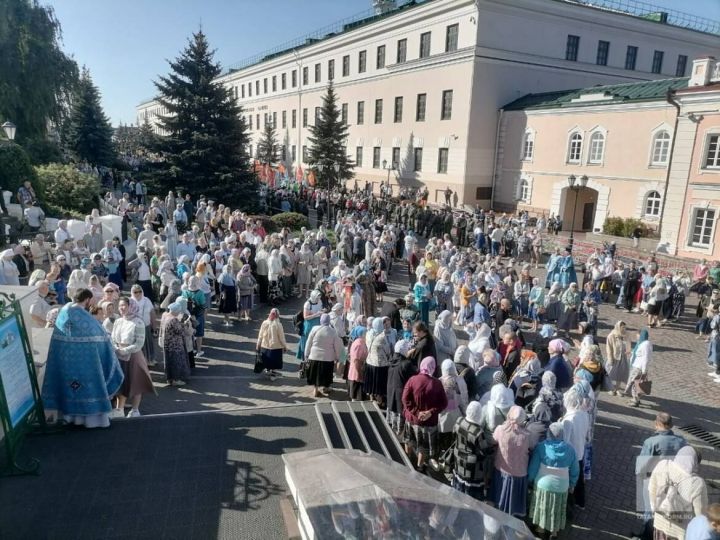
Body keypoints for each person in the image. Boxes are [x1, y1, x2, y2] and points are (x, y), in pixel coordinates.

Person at [41, 289, 124, 428]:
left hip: (66, 363)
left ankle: (69, 417)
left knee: (70, 388)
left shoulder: (63, 312)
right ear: (86, 300)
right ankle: (91, 421)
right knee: (88, 388)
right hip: (87, 365)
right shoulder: (85, 318)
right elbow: (102, 339)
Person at [528, 422, 580, 539]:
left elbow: (533, 467)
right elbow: (575, 470)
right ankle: (554, 532)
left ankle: (540, 529)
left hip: (543, 483)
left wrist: (530, 479)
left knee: (543, 506)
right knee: (556, 508)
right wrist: (572, 484)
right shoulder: (570, 450)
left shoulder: (541, 447)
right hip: (562, 486)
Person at [649, 446, 708, 540]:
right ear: (695, 462)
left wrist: (654, 508)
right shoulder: (698, 483)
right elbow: (700, 514)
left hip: (659, 523)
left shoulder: (663, 465)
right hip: (680, 532)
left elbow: (651, 489)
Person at [402, 357, 448, 473]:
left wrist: (416, 412)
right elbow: (444, 403)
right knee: (423, 447)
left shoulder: (412, 379)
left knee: (409, 440)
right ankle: (419, 466)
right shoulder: (437, 383)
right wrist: (430, 412)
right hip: (428, 423)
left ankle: (408, 459)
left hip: (412, 419)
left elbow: (405, 399)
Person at [492, 405, 531, 518]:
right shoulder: (527, 435)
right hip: (519, 473)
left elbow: (493, 441)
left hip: (501, 469)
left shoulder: (500, 429)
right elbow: (531, 447)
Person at [451, 401, 492, 500]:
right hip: (472, 467)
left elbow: (453, 436)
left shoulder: (459, 421)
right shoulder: (478, 432)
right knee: (470, 493)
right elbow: (485, 451)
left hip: (458, 458)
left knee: (459, 480)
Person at [561, 386, 591, 510]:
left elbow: (565, 440)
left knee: (572, 479)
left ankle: (570, 505)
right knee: (579, 477)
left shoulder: (568, 419)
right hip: (580, 449)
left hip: (571, 454)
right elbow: (588, 434)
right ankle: (581, 502)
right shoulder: (584, 414)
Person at [304, 313, 343, 397]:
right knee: (326, 374)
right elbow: (337, 346)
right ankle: (326, 388)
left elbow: (308, 342)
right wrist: (338, 357)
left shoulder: (314, 329)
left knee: (315, 374)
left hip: (314, 356)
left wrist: (306, 354)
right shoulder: (333, 331)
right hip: (327, 358)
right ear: (329, 321)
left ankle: (315, 389)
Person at [159, 302, 191, 386]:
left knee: (169, 362)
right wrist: (185, 324)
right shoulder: (174, 319)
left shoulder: (165, 315)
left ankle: (169, 378)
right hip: (175, 345)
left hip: (167, 343)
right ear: (175, 311)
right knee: (176, 362)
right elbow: (180, 331)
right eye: (178, 311)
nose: (179, 313)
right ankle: (176, 380)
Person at [365, 317, 393, 407]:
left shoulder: (369, 333)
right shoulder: (381, 337)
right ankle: (380, 402)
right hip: (380, 364)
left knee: (372, 382)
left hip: (369, 361)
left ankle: (371, 399)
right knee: (379, 385)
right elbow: (387, 350)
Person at [256, 308, 287, 381]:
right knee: (274, 363)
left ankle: (267, 370)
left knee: (266, 360)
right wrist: (285, 346)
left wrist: (258, 344)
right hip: (276, 347)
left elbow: (260, 335)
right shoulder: (278, 324)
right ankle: (273, 374)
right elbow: (281, 337)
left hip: (265, 346)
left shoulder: (264, 323)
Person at [624, 328, 652, 407]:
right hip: (637, 366)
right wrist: (631, 352)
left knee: (635, 383)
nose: (636, 336)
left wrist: (644, 370)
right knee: (636, 383)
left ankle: (635, 400)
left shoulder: (645, 345)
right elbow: (639, 353)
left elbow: (645, 358)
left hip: (638, 368)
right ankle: (636, 398)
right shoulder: (642, 343)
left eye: (638, 335)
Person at [605, 320, 630, 396]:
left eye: (625, 328)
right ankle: (609, 388)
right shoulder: (611, 336)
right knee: (610, 373)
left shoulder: (625, 335)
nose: (624, 329)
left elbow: (628, 345)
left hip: (623, 357)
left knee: (620, 373)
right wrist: (610, 359)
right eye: (622, 328)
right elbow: (609, 348)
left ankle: (617, 388)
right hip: (614, 357)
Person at [348, 326, 369, 401]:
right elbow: (356, 360)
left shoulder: (361, 342)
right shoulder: (359, 344)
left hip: (358, 371)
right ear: (361, 334)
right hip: (357, 372)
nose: (367, 333)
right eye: (365, 332)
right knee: (356, 395)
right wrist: (359, 373)